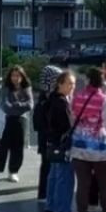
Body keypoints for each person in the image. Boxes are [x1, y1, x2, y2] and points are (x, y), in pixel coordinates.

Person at [70, 67, 106, 212]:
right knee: (105, 186)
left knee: (83, 186)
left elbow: (72, 119)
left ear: (87, 80)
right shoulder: (104, 99)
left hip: (79, 149)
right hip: (101, 152)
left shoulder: (77, 97)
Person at [0, 66, 33, 183]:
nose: (15, 78)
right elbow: (6, 106)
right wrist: (20, 105)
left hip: (21, 121)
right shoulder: (6, 88)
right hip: (6, 120)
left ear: (22, 77)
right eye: (13, 75)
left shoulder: (26, 88)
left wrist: (16, 104)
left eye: (18, 75)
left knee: (18, 148)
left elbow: (30, 105)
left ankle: (13, 172)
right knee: (2, 148)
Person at [44, 70, 77, 212]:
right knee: (64, 178)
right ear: (60, 84)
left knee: (54, 176)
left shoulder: (51, 99)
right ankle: (62, 210)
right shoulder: (62, 103)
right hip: (63, 144)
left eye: (74, 83)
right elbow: (68, 125)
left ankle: (50, 205)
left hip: (52, 142)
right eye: (69, 83)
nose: (72, 86)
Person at [34, 57, 68, 201]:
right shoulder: (51, 100)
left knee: (46, 164)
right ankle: (45, 193)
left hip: (44, 137)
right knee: (49, 165)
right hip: (50, 138)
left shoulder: (43, 98)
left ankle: (44, 193)